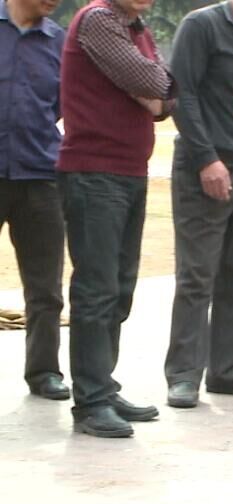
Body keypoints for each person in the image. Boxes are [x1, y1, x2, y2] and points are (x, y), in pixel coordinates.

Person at [58, 0, 175, 437]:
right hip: (94, 171)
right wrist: (154, 86)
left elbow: (163, 103)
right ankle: (91, 402)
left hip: (130, 171)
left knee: (120, 289)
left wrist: (154, 89)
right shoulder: (99, 19)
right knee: (97, 290)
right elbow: (155, 82)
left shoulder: (136, 27)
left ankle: (102, 387)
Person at [164, 0, 233, 410]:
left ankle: (229, 370)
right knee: (197, 276)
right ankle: (183, 375)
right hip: (207, 170)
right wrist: (206, 159)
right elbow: (182, 96)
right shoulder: (201, 26)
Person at [0, 0, 69, 401]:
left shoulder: (59, 42)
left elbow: (59, 106)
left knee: (45, 288)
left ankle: (44, 372)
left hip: (41, 176)